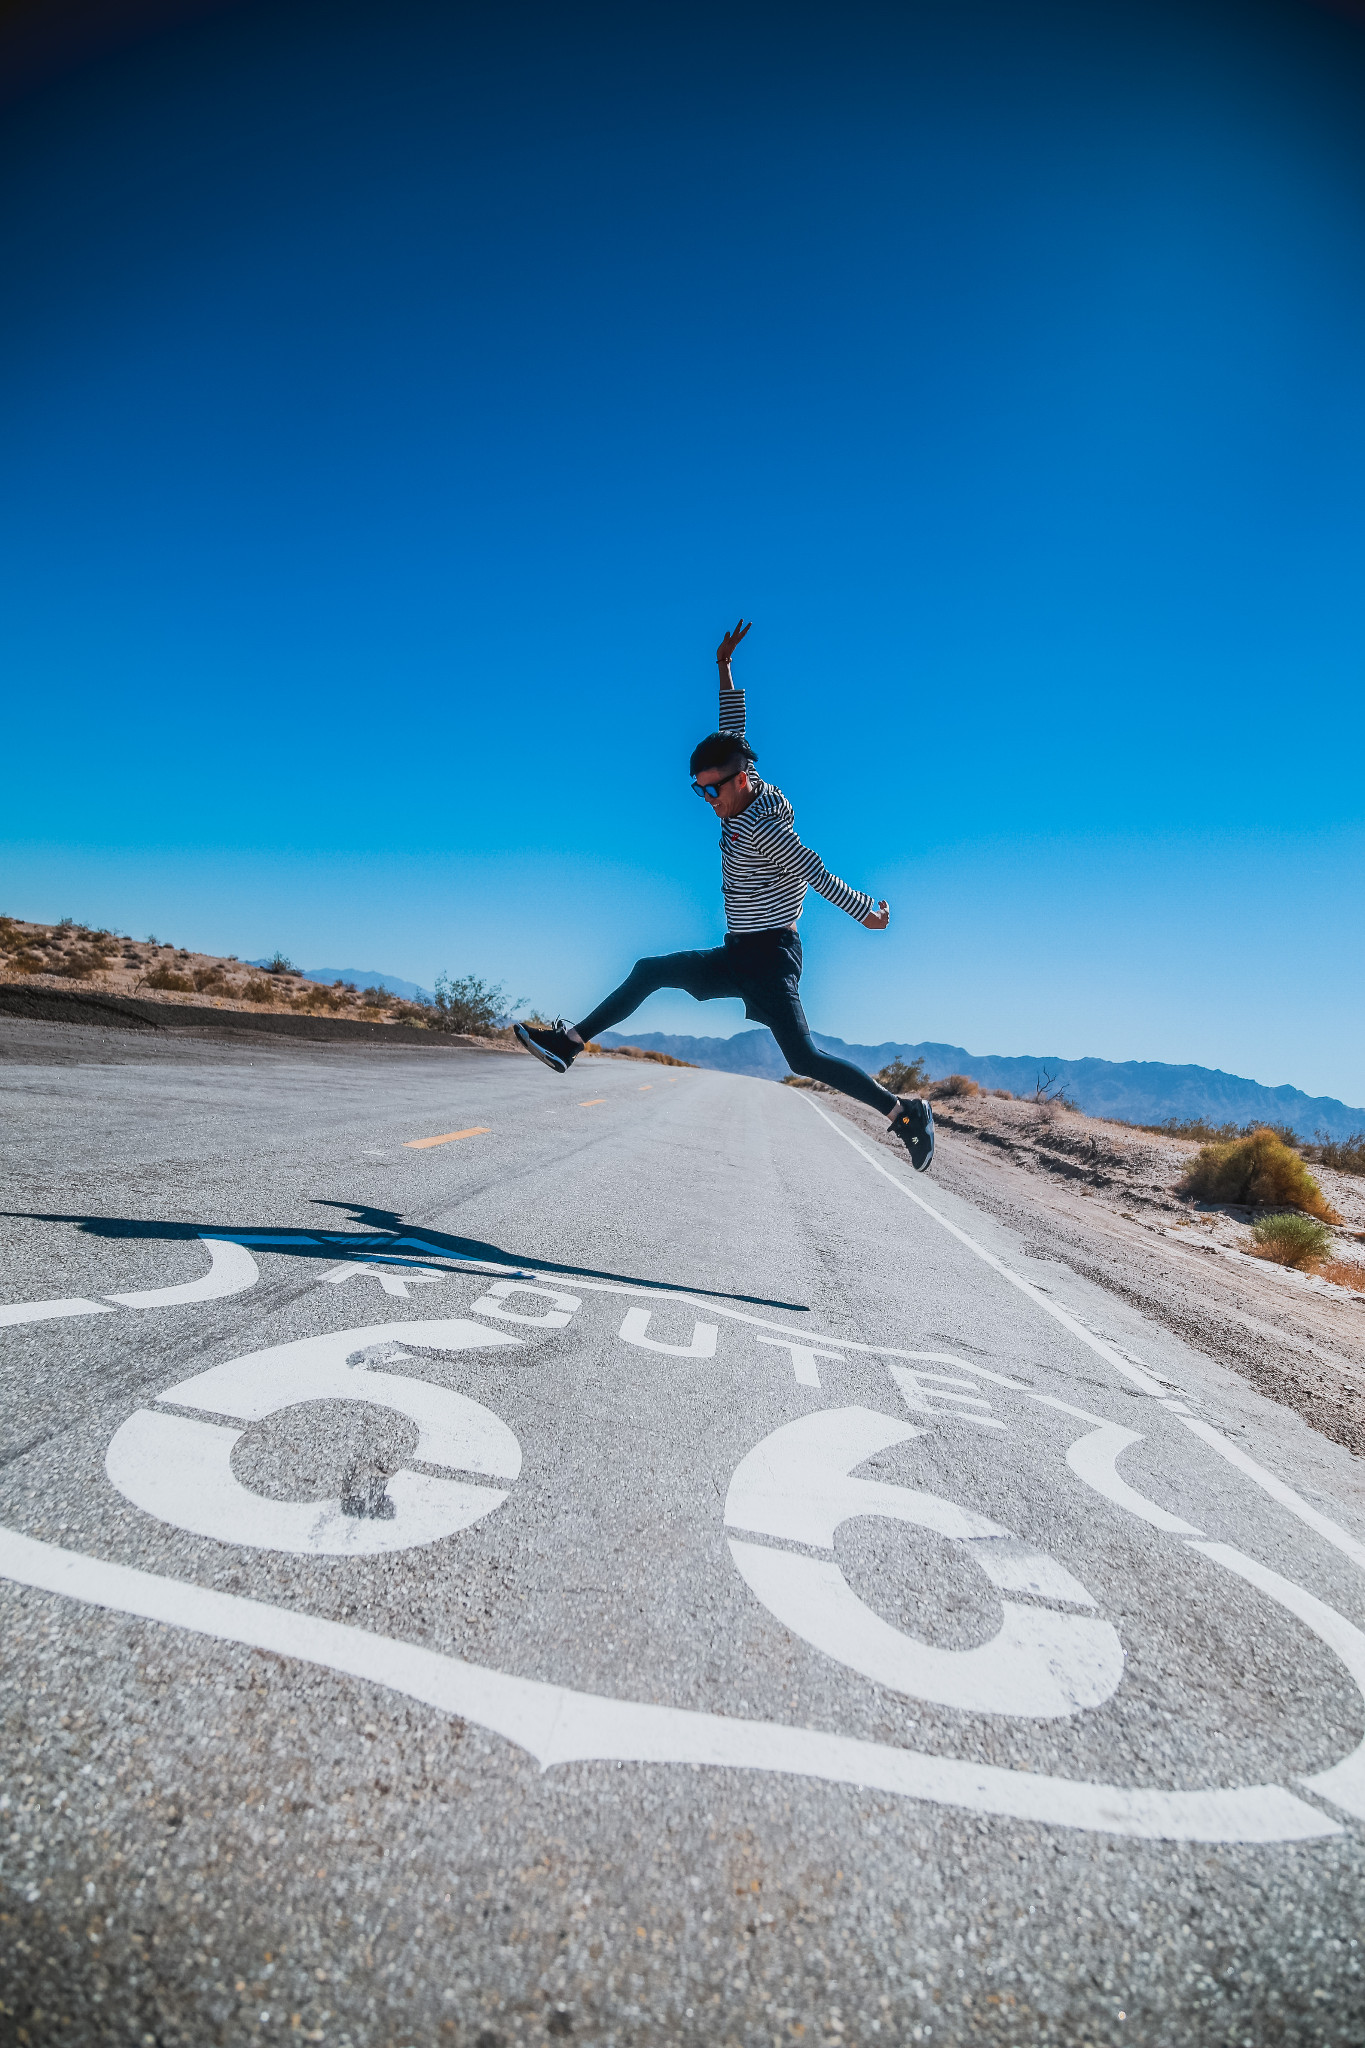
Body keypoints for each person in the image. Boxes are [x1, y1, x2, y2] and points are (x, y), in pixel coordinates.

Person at [516, 621, 934, 1170]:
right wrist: (724, 666)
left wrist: (868, 918)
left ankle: (905, 1112)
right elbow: (732, 728)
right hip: (738, 950)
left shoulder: (763, 827)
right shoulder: (742, 774)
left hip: (770, 957)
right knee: (649, 969)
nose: (707, 799)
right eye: (699, 790)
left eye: (713, 789)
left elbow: (815, 871)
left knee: (803, 1056)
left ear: (739, 781)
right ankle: (569, 1043)